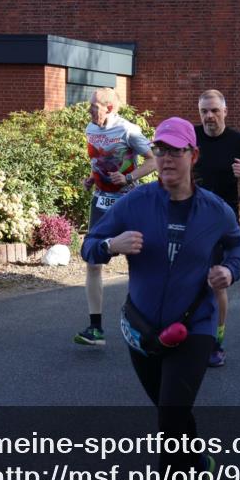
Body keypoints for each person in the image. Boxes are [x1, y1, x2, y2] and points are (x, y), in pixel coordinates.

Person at [81, 117, 240, 480]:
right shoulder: (135, 204)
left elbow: (237, 247)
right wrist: (112, 245)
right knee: (173, 413)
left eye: (176, 151)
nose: (168, 158)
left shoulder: (215, 210)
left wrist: (229, 270)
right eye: (161, 151)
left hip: (194, 328)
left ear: (193, 156)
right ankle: (200, 464)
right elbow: (89, 246)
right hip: (143, 331)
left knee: (170, 420)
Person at [74, 88, 157, 347]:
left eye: (93, 106)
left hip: (127, 202)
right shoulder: (91, 128)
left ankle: (146, 325)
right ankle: (95, 328)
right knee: (92, 259)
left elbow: (153, 161)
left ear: (109, 107)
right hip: (101, 200)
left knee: (139, 261)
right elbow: (99, 161)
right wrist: (92, 178)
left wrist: (129, 177)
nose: (88, 111)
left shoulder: (128, 130)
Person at [194, 89, 240, 367]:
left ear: (224, 111)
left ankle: (216, 341)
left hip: (222, 223)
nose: (209, 116)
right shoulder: (192, 137)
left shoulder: (238, 141)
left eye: (214, 110)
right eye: (204, 111)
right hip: (190, 220)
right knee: (186, 280)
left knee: (215, 282)